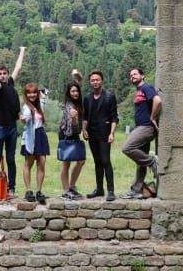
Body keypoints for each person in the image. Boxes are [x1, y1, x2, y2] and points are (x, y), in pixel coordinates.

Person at [0, 47, 26, 200]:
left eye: (4, 73)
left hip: (12, 128)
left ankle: (11, 189)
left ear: (7, 75)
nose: (2, 76)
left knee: (11, 159)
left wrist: (22, 50)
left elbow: (18, 67)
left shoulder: (10, 84)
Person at [77, 69, 118, 202]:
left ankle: (111, 190)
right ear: (90, 82)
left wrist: (112, 133)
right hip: (92, 133)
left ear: (102, 81)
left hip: (105, 133)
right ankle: (99, 189)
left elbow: (114, 117)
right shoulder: (88, 98)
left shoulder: (109, 97)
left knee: (106, 160)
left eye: (97, 80)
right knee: (97, 162)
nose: (95, 82)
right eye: (93, 80)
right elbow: (85, 117)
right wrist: (84, 130)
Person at [120, 67, 161, 199]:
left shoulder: (146, 87)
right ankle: (137, 189)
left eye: (135, 74)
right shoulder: (139, 91)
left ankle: (152, 161)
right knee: (139, 161)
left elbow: (157, 100)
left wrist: (153, 117)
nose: (132, 76)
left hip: (146, 127)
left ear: (142, 76)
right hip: (141, 126)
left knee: (127, 148)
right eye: (130, 75)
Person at [19, 83, 49, 204]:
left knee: (41, 163)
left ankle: (39, 191)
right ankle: (28, 191)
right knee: (28, 163)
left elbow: (43, 98)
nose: (32, 95)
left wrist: (42, 94)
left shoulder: (40, 105)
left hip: (41, 135)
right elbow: (25, 118)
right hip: (31, 136)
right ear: (26, 95)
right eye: (29, 93)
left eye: (34, 92)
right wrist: (23, 120)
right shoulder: (26, 107)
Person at [58, 81, 85, 200]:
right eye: (73, 91)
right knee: (66, 162)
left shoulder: (78, 104)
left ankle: (72, 187)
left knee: (81, 160)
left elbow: (80, 80)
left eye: (77, 90)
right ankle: (66, 190)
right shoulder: (69, 106)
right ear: (69, 93)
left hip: (74, 133)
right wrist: (74, 119)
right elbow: (72, 128)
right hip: (66, 135)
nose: (76, 93)